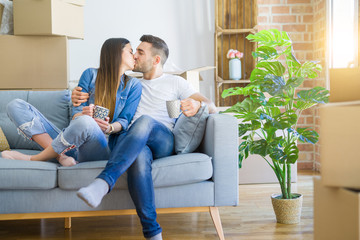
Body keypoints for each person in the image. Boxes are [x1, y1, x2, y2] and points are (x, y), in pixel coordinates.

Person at [73, 35, 217, 240]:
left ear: (156, 60)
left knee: (146, 121)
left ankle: (104, 181)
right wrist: (76, 96)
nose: (135, 55)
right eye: (134, 51)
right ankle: (153, 233)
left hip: (162, 140)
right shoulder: (130, 85)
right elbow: (96, 96)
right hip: (133, 142)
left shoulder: (175, 82)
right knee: (139, 156)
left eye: (140, 52)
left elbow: (211, 105)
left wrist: (198, 105)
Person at [1, 38, 142, 167]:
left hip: (99, 146)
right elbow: (76, 116)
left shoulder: (133, 85)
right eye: (130, 51)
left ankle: (34, 159)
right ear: (116, 53)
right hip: (70, 144)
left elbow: (124, 121)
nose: (134, 56)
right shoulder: (90, 75)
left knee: (86, 122)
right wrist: (82, 113)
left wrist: (109, 127)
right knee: (15, 105)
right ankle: (61, 157)